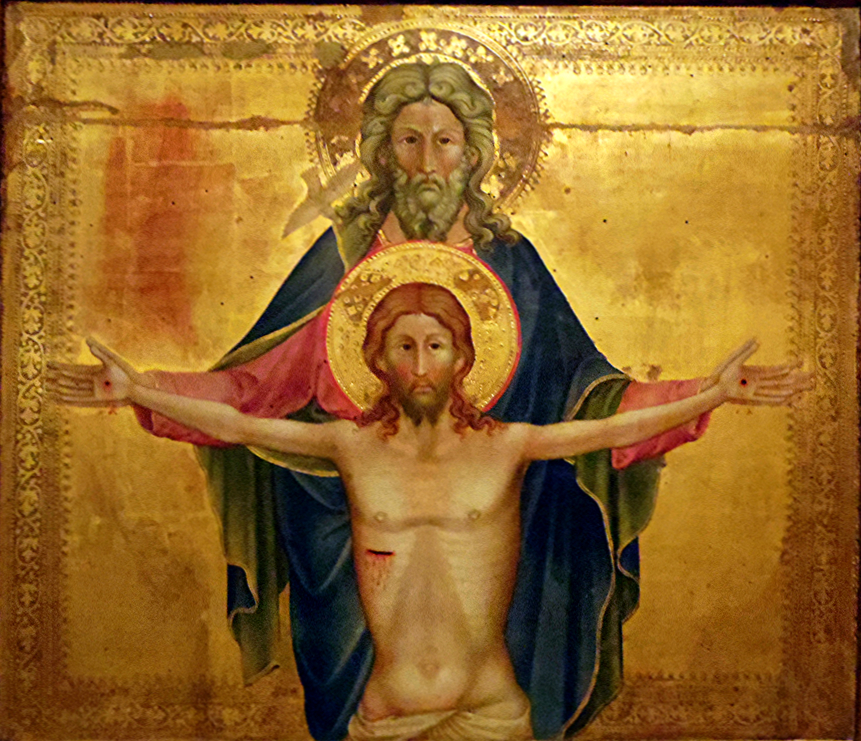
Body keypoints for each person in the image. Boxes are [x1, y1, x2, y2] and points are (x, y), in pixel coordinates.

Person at [52, 62, 811, 740]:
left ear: (473, 154)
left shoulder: (514, 272)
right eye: (407, 141)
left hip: (495, 565)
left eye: (443, 142)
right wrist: (142, 389)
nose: (425, 162)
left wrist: (707, 393)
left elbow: (598, 404)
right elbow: (247, 396)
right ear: (381, 153)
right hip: (348, 541)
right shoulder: (341, 267)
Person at [47, 282, 805, 741]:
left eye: (435, 345)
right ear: (377, 359)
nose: (418, 364)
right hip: (390, 713)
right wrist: (138, 391)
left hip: (492, 709)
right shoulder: (349, 444)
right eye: (402, 347)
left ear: (462, 357)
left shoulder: (510, 445)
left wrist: (713, 393)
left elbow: (610, 430)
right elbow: (240, 424)